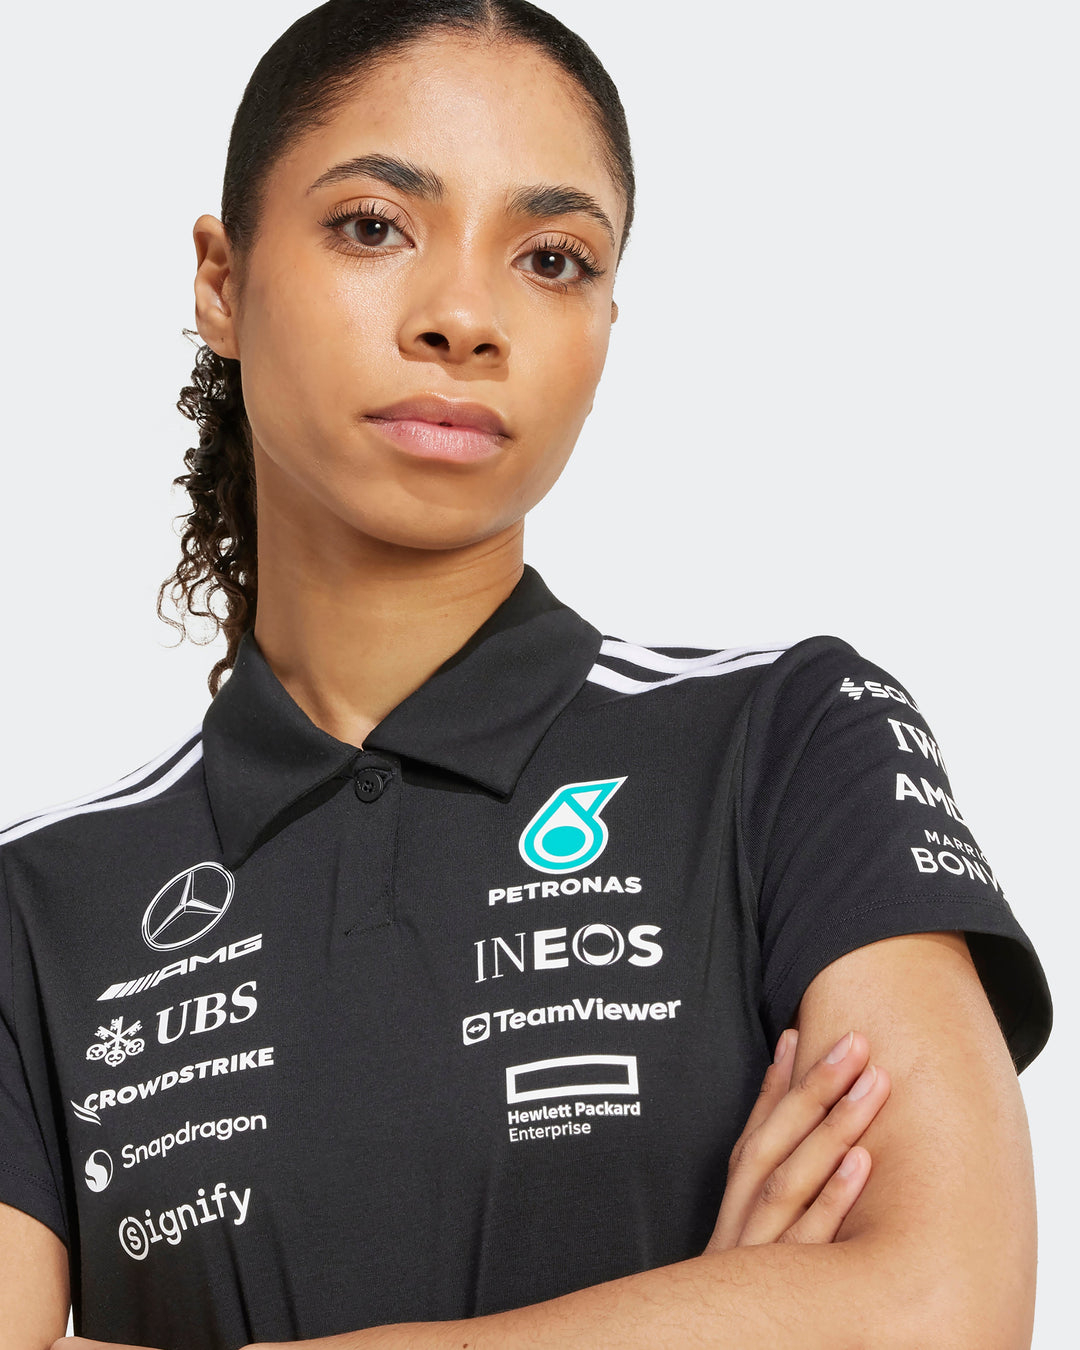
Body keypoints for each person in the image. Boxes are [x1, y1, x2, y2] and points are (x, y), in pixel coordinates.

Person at [0, 1, 1052, 1348]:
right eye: (374, 226)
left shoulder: (791, 742)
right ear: (221, 281)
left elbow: (945, 1305)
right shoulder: (38, 907)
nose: (464, 318)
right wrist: (722, 1319)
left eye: (552, 258)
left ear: (607, 319)